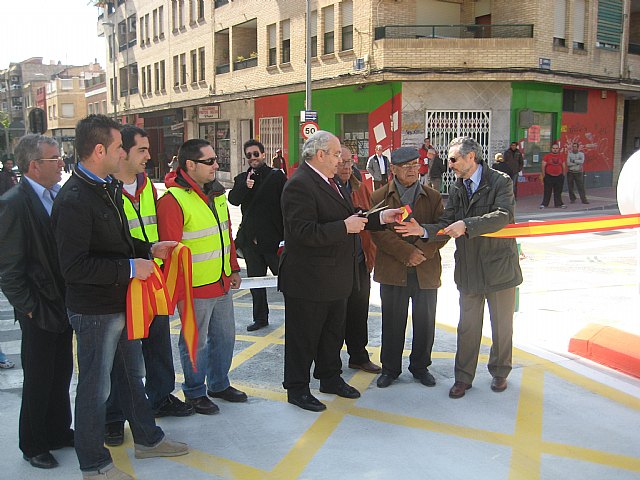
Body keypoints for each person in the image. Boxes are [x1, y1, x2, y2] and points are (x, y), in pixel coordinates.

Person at [52, 114, 188, 480]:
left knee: (131, 375)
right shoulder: (75, 198)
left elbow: (118, 243)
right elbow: (75, 267)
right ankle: (94, 465)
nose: (123, 153)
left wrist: (148, 249)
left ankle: (147, 439)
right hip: (94, 310)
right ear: (100, 151)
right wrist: (132, 268)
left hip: (121, 302)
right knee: (95, 390)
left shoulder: (105, 186)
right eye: (117, 148)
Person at [279, 130, 402, 412]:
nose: (341, 161)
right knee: (304, 337)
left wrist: (380, 217)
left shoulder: (330, 181)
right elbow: (302, 232)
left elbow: (350, 216)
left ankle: (329, 377)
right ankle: (297, 389)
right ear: (320, 154)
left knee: (332, 333)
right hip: (309, 278)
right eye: (336, 155)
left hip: (335, 275)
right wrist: (344, 228)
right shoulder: (299, 184)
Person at [395, 136, 522, 399]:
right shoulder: (457, 188)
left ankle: (500, 372)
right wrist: (424, 231)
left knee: (502, 325)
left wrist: (469, 225)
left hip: (499, 266)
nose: (448, 164)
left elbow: (503, 216)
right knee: (467, 327)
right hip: (469, 268)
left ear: (470, 157)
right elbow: (447, 222)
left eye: (453, 159)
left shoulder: (500, 181)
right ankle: (463, 377)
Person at [105, 125, 194, 448]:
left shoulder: (147, 186)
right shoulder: (107, 188)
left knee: (158, 344)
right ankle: (113, 417)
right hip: (123, 282)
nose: (149, 156)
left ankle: (160, 396)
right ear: (122, 152)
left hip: (152, 280)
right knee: (121, 357)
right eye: (142, 150)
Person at [157, 138, 247, 415]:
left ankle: (219, 384)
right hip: (193, 287)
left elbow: (226, 235)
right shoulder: (173, 201)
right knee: (196, 342)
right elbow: (170, 252)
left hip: (220, 282)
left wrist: (232, 268)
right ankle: (195, 392)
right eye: (209, 161)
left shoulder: (217, 194)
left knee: (225, 337)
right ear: (190, 165)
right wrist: (179, 292)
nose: (216, 165)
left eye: (215, 159)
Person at [0, 135, 73, 470]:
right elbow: (9, 269)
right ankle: (33, 443)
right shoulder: (15, 203)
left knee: (61, 372)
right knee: (39, 378)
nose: (61, 164)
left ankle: (58, 431)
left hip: (63, 303)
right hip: (38, 308)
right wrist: (30, 308)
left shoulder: (58, 195)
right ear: (34, 165)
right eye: (54, 159)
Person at [370, 147, 446, 389]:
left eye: (416, 165)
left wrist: (422, 253)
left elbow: (442, 230)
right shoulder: (379, 197)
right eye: (406, 166)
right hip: (393, 269)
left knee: (425, 321)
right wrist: (407, 253)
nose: (413, 170)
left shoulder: (432, 197)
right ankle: (390, 369)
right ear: (393, 170)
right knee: (392, 322)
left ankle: (420, 367)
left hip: (425, 269)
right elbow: (378, 234)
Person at [228, 139, 287, 332]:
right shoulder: (242, 179)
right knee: (256, 284)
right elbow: (233, 200)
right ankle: (260, 318)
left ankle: (295, 317)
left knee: (286, 282)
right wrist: (246, 185)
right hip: (251, 243)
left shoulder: (277, 177)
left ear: (263, 154)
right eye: (249, 155)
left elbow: (286, 206)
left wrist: (285, 238)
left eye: (256, 154)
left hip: (273, 241)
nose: (252, 158)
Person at [336, 145, 381, 374]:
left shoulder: (358, 185)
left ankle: (358, 356)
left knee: (359, 310)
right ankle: (330, 363)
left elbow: (370, 218)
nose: (346, 167)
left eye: (349, 162)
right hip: (336, 264)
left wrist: (371, 254)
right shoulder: (326, 187)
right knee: (335, 315)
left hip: (360, 259)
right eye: (341, 162)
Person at [540, 143, 567, 209]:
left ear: (558, 149)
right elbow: (543, 166)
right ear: (551, 149)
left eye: (556, 148)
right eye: (554, 148)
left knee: (558, 191)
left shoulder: (561, 156)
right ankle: (544, 204)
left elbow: (563, 166)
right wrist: (544, 175)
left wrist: (563, 175)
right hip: (549, 176)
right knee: (547, 191)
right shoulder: (547, 156)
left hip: (559, 176)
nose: (555, 150)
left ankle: (559, 203)